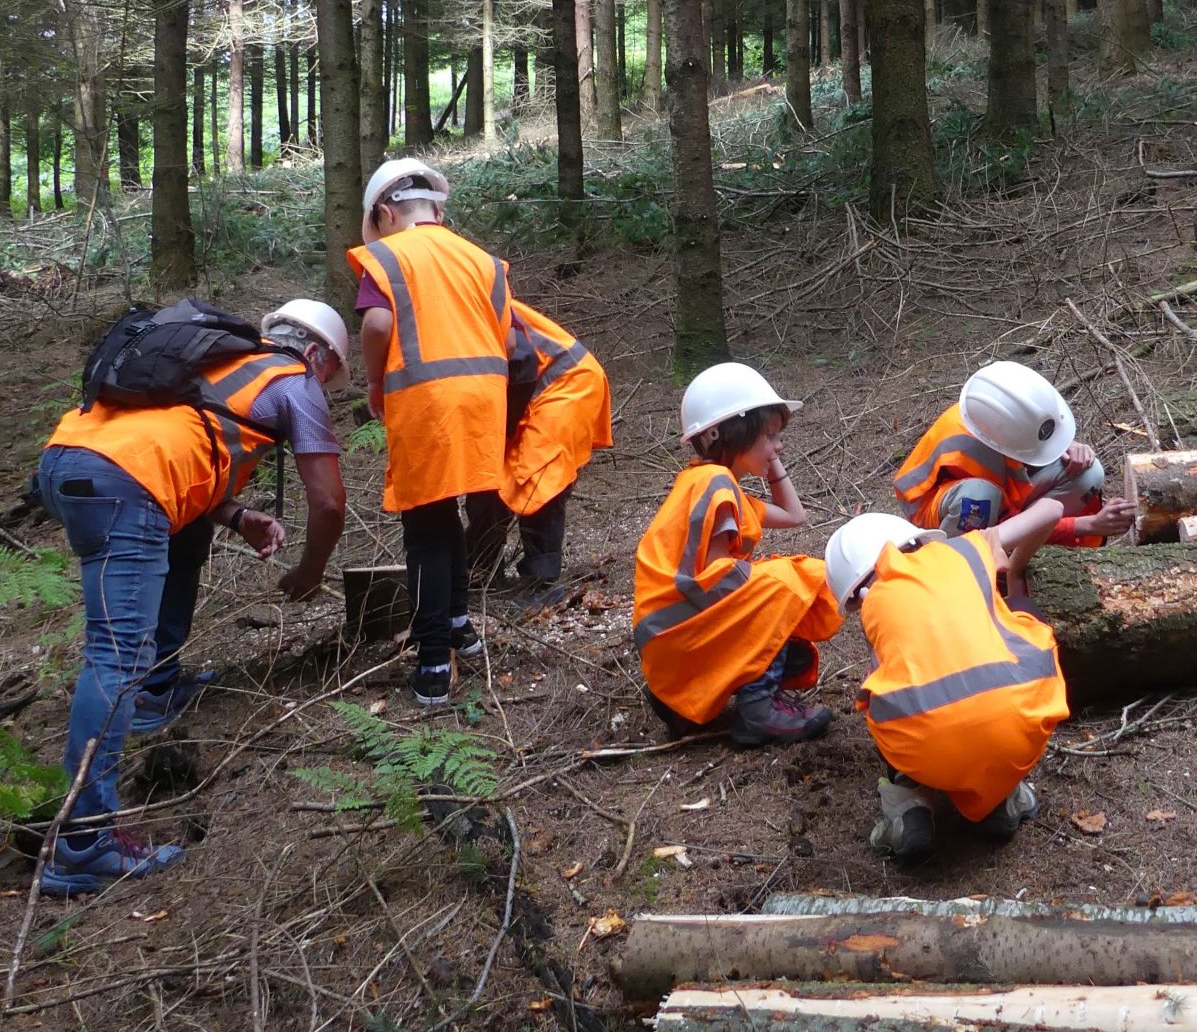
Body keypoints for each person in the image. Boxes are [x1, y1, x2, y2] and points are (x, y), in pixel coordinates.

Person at [36, 299, 350, 894]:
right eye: (331, 372)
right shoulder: (291, 379)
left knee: (184, 535)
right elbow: (330, 503)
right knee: (115, 653)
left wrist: (235, 515)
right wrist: (310, 572)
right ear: (316, 353)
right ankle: (83, 842)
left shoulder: (208, 364)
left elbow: (180, 443)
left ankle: (157, 691)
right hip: (122, 483)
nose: (325, 385)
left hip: (68, 461)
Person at [349, 157, 524, 706]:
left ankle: (430, 663)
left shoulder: (387, 255)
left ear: (383, 212)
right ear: (438, 209)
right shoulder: (481, 260)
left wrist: (376, 384)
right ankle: (458, 626)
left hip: (426, 402)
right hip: (483, 401)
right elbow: (512, 343)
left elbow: (377, 324)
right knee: (449, 509)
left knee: (424, 521)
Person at [824, 497, 1071, 864]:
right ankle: (1001, 797)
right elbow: (1052, 508)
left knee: (878, 691)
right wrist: (1012, 567)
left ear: (857, 591)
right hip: (1021, 722)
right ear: (918, 540)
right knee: (1022, 613)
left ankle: (908, 805)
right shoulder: (967, 550)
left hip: (926, 750)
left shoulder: (877, 601)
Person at [633, 362, 843, 747]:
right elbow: (717, 580)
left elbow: (795, 516)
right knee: (793, 580)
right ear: (730, 432)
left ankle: (685, 697)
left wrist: (767, 454)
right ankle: (759, 712)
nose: (779, 446)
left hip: (671, 641)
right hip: (679, 636)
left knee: (791, 649)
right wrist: (775, 592)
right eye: (770, 436)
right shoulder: (714, 484)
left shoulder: (718, 486)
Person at [463, 297, 613, 608]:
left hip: (565, 382)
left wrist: (500, 431)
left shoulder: (467, 309)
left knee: (538, 476)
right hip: (531, 389)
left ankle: (541, 581)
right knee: (490, 475)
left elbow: (521, 361)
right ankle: (481, 570)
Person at [893, 360, 1135, 546]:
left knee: (1088, 474)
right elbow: (1006, 523)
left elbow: (1025, 451)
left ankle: (1028, 545)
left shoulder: (1006, 413)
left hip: (1000, 495)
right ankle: (965, 563)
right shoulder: (969, 449)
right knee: (980, 497)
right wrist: (1087, 525)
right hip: (944, 511)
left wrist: (1063, 446)